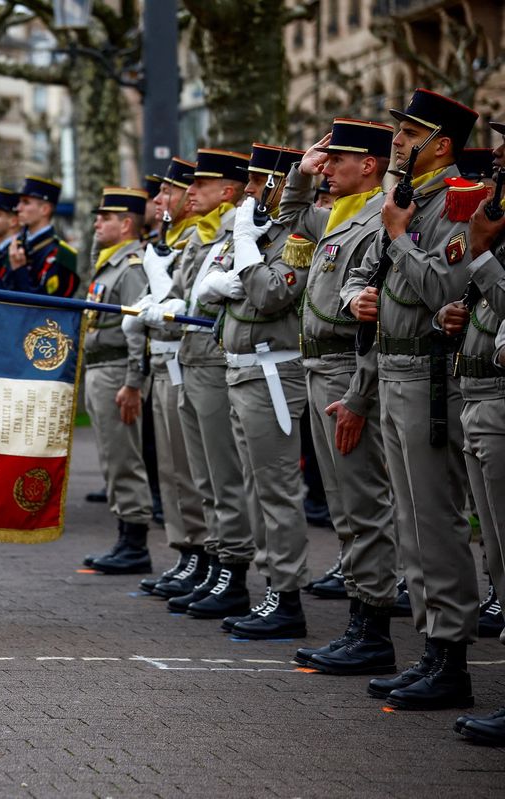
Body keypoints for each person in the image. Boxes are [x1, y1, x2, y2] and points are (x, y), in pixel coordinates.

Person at [341, 88, 480, 711]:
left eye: (410, 131)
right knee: (409, 520)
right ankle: (429, 648)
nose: (397, 139)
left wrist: (398, 239)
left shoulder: (457, 202)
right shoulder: (407, 199)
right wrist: (360, 298)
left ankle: (451, 657)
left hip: (428, 377)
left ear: (441, 145)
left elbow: (446, 286)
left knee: (435, 522)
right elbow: (372, 279)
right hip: (393, 369)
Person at [278, 118, 401, 674]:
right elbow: (288, 220)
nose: (326, 168)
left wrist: (357, 394)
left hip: (348, 371)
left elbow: (381, 324)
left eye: (335, 160)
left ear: (368, 165)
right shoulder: (341, 215)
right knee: (343, 504)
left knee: (363, 503)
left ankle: (373, 627)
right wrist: (299, 177)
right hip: (320, 366)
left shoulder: (380, 219)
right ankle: (361, 621)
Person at [199, 143, 310, 639]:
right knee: (255, 488)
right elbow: (207, 292)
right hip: (241, 368)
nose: (248, 190)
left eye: (259, 181)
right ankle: (272, 589)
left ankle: (286, 597)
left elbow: (268, 293)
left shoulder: (298, 231)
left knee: (277, 491)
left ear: (281, 185)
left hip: (272, 372)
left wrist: (246, 248)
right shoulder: (262, 231)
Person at [149, 149, 258, 621]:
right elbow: (185, 298)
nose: (190, 191)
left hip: (213, 363)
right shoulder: (208, 238)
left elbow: (222, 297)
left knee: (222, 476)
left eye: (202, 184)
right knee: (203, 476)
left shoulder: (235, 233)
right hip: (192, 360)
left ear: (227, 192)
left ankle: (231, 570)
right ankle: (215, 562)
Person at [439, 119, 505, 744]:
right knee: (498, 556)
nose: (497, 160)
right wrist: (459, 314)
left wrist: (481, 254)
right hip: (479, 392)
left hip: (498, 399)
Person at [124, 157, 211, 598]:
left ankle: (204, 551)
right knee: (171, 469)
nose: (161, 200)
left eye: (169, 192)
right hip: (162, 359)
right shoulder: (171, 238)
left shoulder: (197, 237)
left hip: (185, 357)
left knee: (190, 469)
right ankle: (185, 549)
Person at [79, 188, 154, 574]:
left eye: (105, 218)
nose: (97, 223)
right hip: (99, 368)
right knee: (111, 458)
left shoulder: (132, 266)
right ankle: (124, 535)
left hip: (116, 372)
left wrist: (132, 382)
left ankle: (135, 543)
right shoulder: (110, 263)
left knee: (124, 457)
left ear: (126, 224)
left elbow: (137, 328)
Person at [6, 176, 80, 297]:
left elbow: (46, 304)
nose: (18, 208)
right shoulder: (18, 245)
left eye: (26, 202)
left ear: (44, 209)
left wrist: (19, 270)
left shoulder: (61, 254)